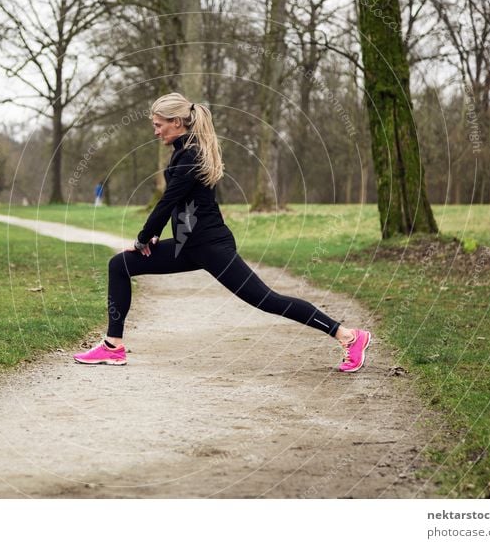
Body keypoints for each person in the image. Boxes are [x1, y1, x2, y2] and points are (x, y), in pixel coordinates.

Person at [74, 93, 371, 372]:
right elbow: (176, 204)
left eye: (158, 125)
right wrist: (152, 237)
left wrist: (142, 239)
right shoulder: (183, 153)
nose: (155, 132)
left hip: (211, 246)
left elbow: (168, 202)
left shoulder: (190, 155)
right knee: (119, 265)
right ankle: (113, 346)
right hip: (187, 245)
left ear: (176, 122)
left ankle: (348, 336)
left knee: (266, 299)